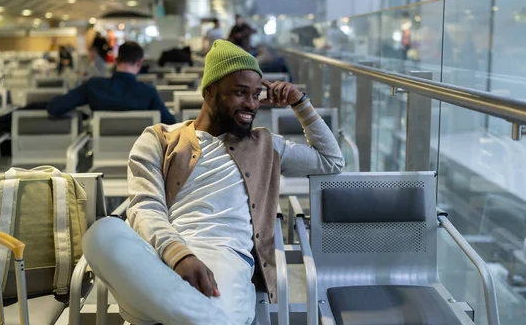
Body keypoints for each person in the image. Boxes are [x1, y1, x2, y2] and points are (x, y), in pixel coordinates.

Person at [82, 40, 344, 324]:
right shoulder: (160, 139)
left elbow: (331, 161)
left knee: (205, 307)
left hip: (225, 257)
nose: (251, 105)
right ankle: (199, 315)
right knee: (102, 232)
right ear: (209, 92)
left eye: (256, 95)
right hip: (161, 254)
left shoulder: (265, 145)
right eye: (240, 93)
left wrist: (299, 102)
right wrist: (179, 256)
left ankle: (185, 314)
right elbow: (146, 208)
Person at [47, 41, 176, 124]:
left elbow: (54, 107)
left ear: (116, 60)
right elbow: (171, 124)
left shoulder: (94, 86)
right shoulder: (148, 93)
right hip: (141, 160)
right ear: (139, 63)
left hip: (101, 157)